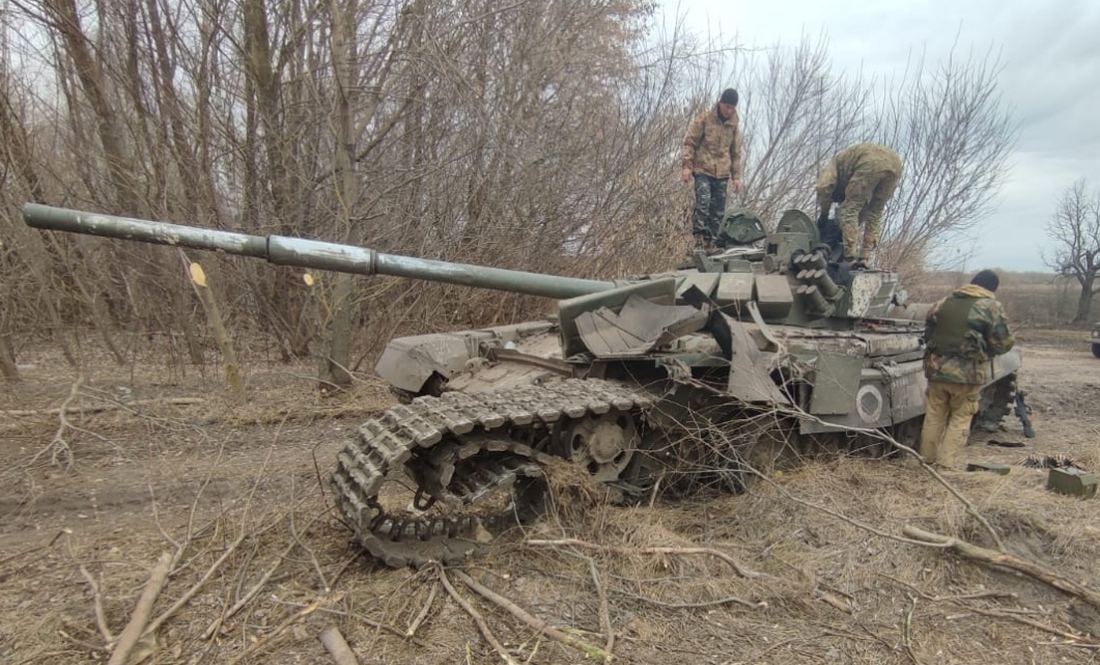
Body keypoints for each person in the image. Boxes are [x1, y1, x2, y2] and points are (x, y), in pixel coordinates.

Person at [918, 270, 1015, 469]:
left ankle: (926, 460)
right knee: (960, 417)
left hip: (936, 370)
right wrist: (986, 351)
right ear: (992, 288)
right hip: (967, 374)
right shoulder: (991, 307)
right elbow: (1004, 343)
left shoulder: (943, 303)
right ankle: (947, 465)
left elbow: (928, 333)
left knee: (934, 415)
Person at [814, 142, 903, 263]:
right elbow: (863, 212)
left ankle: (849, 257)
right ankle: (865, 257)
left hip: (869, 162)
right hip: (895, 163)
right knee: (875, 212)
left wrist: (823, 216)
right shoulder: (846, 166)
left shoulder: (833, 165)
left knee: (850, 209)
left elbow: (823, 187)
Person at [681, 88, 743, 247]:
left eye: (732, 108)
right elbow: (690, 142)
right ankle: (698, 240)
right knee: (703, 202)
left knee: (718, 210)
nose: (729, 111)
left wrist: (736, 176)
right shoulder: (705, 118)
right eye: (726, 106)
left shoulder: (734, 125)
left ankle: (711, 242)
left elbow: (736, 152)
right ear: (720, 103)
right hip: (703, 168)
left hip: (722, 172)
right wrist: (687, 166)